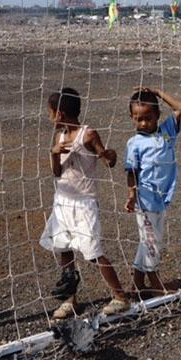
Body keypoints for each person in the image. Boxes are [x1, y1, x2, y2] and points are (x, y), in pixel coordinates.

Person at [39, 88, 130, 320]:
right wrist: (53, 153)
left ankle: (120, 296)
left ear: (59, 113)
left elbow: (108, 160)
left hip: (84, 203)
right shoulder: (59, 136)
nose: (49, 117)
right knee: (64, 249)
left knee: (93, 252)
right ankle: (70, 300)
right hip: (62, 201)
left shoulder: (87, 135)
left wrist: (110, 155)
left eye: (50, 112)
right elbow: (57, 172)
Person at [124, 86, 181, 297]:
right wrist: (131, 196)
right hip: (146, 200)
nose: (143, 123)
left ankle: (137, 284)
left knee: (148, 240)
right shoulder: (134, 144)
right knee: (152, 241)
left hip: (162, 198)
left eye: (148, 118)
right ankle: (155, 283)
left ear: (157, 116)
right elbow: (131, 172)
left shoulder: (166, 131)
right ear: (132, 118)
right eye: (138, 119)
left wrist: (159, 93)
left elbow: (180, 107)